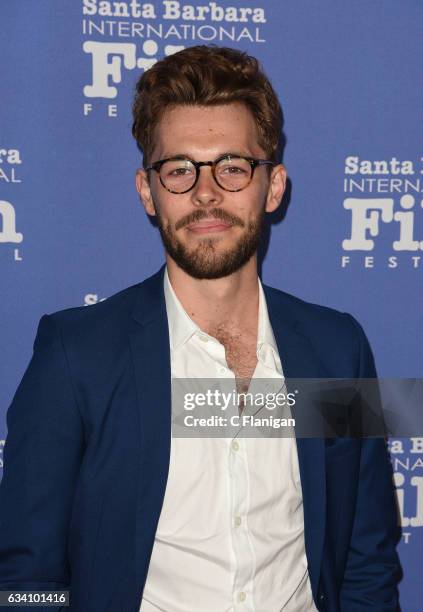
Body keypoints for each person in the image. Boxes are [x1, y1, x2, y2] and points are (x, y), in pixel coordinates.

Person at [0, 45, 401, 612]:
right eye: (180, 169)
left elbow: (367, 556)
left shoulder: (339, 347)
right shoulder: (75, 354)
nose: (206, 193)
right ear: (148, 192)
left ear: (275, 186)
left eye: (232, 167)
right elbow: (24, 578)